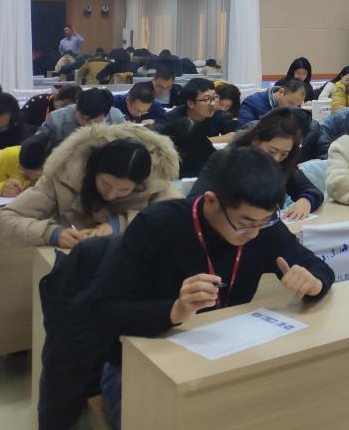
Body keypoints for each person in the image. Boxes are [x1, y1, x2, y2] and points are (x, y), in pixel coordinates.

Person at [96, 147, 334, 428]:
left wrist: (314, 283)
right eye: (244, 223)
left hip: (224, 357)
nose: (253, 234)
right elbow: (108, 312)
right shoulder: (157, 225)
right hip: (140, 364)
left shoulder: (263, 228)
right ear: (211, 201)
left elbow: (318, 269)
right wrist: (174, 310)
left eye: (264, 221)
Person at [0, 124, 180, 247]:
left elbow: (175, 223)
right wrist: (52, 234)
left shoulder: (157, 181)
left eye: (124, 190)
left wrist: (120, 225)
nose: (110, 194)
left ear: (139, 185)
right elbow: (6, 220)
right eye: (105, 184)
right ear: (93, 170)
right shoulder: (63, 174)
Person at [189, 108, 323, 221]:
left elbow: (310, 190)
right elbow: (195, 202)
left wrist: (306, 201)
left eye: (284, 154)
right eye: (272, 151)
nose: (276, 159)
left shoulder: (283, 164)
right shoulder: (224, 159)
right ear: (255, 140)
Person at [152, 78, 240, 178]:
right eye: (206, 99)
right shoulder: (171, 118)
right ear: (191, 103)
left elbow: (234, 134)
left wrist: (204, 141)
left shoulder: (219, 115)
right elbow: (154, 138)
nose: (212, 103)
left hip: (205, 165)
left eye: (215, 98)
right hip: (176, 168)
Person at [35, 88, 125, 145]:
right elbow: (36, 145)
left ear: (106, 114)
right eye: (82, 117)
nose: (85, 124)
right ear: (76, 104)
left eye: (94, 122)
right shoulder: (56, 119)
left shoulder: (116, 119)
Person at [238, 78, 308, 126]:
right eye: (290, 103)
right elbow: (243, 131)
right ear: (281, 91)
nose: (292, 108)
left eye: (297, 105)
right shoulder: (251, 103)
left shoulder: (293, 108)